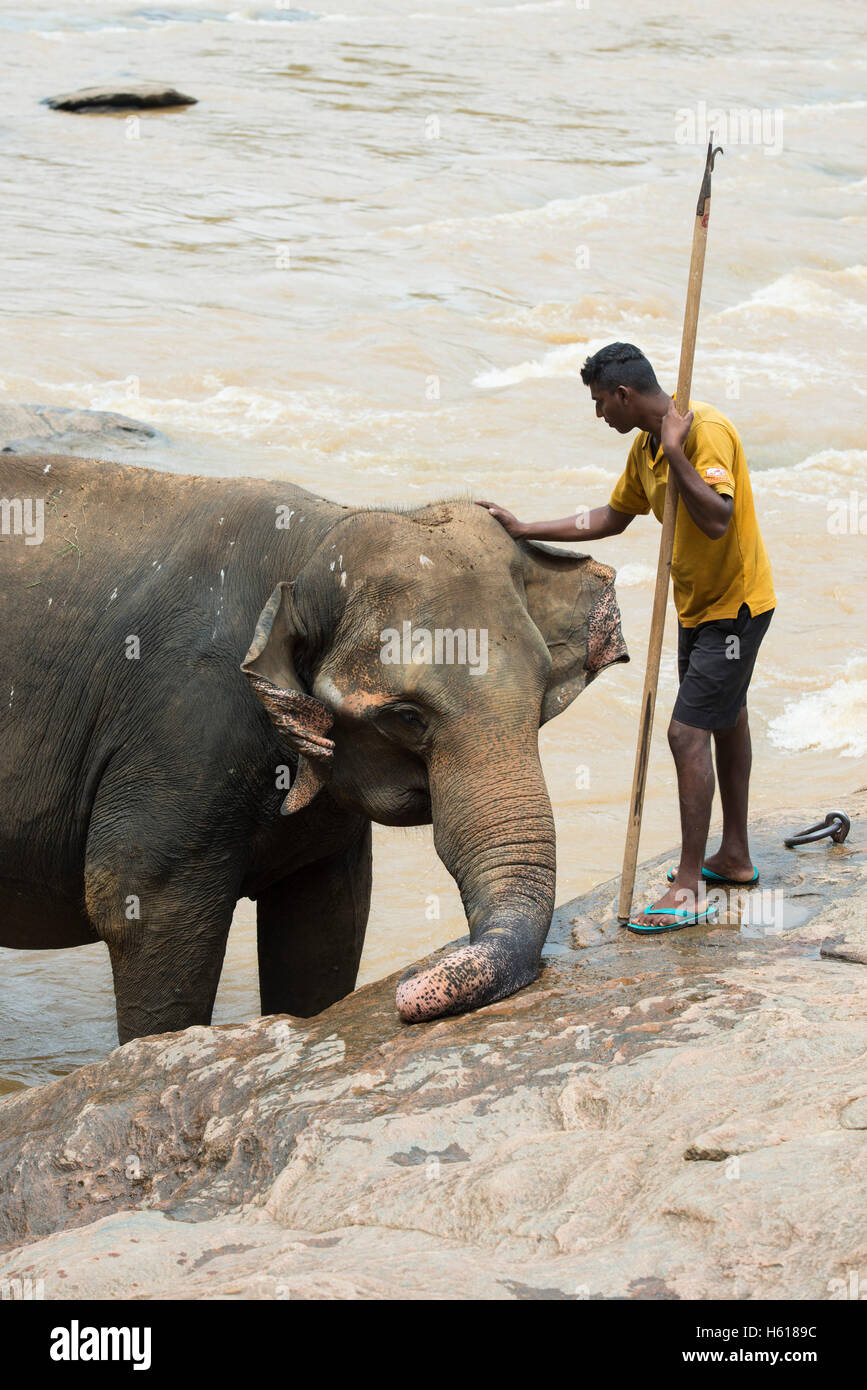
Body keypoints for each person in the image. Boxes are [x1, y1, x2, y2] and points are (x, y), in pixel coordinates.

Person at [477, 341, 776, 933]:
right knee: (727, 715)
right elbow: (610, 518)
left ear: (624, 395)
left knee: (686, 734)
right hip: (698, 607)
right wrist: (524, 528)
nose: (598, 415)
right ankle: (734, 856)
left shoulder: (701, 433)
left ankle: (688, 886)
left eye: (599, 403)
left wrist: (677, 452)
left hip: (735, 608)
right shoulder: (645, 450)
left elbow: (716, 521)